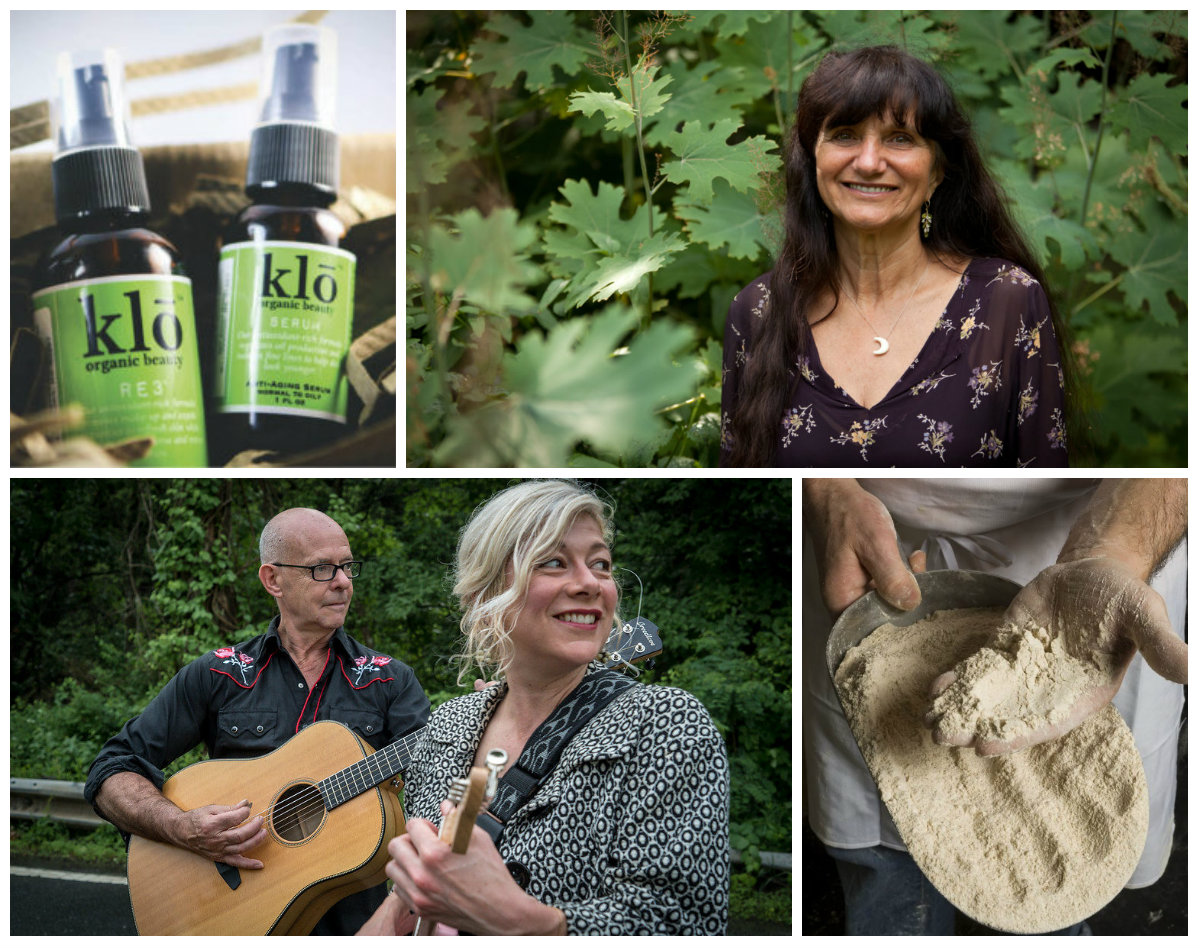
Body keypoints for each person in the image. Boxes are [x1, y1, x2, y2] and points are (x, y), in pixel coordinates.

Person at [802, 478, 1186, 935]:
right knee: (888, 890)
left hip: (1090, 560)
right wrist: (828, 493)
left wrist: (1114, 551)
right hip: (866, 545)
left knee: (1055, 887)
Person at [358, 479, 730, 935]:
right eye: (553, 561)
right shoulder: (448, 726)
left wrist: (521, 922)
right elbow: (420, 885)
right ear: (483, 594)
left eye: (601, 563)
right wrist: (392, 912)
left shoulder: (664, 724)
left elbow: (684, 922)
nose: (590, 582)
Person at [83, 508, 430, 935]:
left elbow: (436, 800)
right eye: (322, 568)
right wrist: (181, 827)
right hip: (234, 919)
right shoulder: (220, 673)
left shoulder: (389, 680)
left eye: (347, 566)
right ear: (273, 580)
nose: (343, 581)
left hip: (356, 926)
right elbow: (112, 768)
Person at [722, 46, 1070, 467]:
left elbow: (1046, 483)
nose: (869, 162)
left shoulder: (1005, 302)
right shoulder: (758, 312)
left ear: (937, 171)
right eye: (845, 135)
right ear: (813, 157)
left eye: (900, 139)